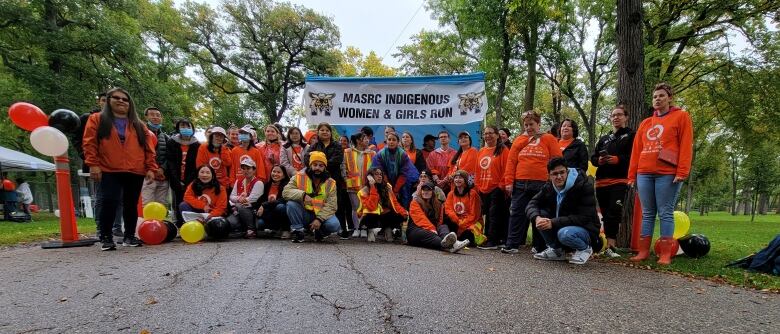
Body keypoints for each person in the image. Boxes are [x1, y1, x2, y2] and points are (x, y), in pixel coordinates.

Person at [83, 87, 157, 250]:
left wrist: (151, 168)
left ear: (130, 104)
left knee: (131, 204)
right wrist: (93, 164)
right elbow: (89, 143)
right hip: (109, 169)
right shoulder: (97, 119)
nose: (121, 101)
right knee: (109, 201)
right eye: (116, 98)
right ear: (108, 101)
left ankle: (129, 236)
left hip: (135, 169)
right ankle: (106, 237)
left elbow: (149, 148)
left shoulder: (139, 125)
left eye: (125, 99)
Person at [628, 83, 693, 265]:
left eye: (662, 96)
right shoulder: (645, 123)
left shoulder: (681, 116)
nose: (658, 99)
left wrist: (682, 171)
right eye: (655, 96)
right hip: (644, 172)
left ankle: (665, 254)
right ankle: (643, 251)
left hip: (667, 173)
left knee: (665, 212)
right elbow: (636, 150)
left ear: (670, 98)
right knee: (647, 213)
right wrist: (632, 175)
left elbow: (686, 145)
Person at [501, 110, 563, 254]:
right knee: (517, 213)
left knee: (540, 213)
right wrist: (508, 182)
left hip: (542, 183)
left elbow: (557, 160)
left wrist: (554, 180)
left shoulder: (549, 139)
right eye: (526, 125)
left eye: (531, 124)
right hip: (521, 182)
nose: (529, 127)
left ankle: (540, 246)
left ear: (539, 124)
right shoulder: (518, 140)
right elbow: (511, 162)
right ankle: (512, 244)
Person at [526, 157, 601, 265]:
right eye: (555, 174)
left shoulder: (583, 185)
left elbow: (585, 217)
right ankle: (557, 251)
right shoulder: (549, 186)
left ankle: (585, 249)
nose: (559, 177)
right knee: (541, 214)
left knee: (565, 234)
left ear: (568, 171)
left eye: (562, 172)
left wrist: (553, 222)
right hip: (561, 226)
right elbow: (531, 204)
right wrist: (537, 218)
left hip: (586, 230)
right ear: (549, 175)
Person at [591, 105, 635, 257]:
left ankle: (611, 246)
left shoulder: (631, 135)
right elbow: (593, 158)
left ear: (626, 117)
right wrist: (600, 160)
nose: (616, 117)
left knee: (614, 212)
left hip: (619, 181)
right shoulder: (605, 138)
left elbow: (634, 158)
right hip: (601, 181)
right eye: (613, 115)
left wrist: (618, 160)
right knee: (604, 213)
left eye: (619, 115)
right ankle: (607, 248)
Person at [283, 151, 340, 243]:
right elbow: (286, 192)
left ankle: (320, 231)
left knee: (334, 225)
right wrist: (303, 195)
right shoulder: (298, 177)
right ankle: (299, 232)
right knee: (291, 204)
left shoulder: (331, 182)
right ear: (310, 165)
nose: (317, 168)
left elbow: (332, 205)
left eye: (321, 166)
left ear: (325, 168)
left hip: (322, 214)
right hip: (305, 212)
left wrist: (319, 219)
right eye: (315, 165)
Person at [303, 123, 348, 237]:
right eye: (322, 130)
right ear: (318, 132)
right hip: (316, 179)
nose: (324, 132)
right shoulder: (313, 146)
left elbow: (337, 160)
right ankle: (316, 227)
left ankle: (342, 229)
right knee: (316, 203)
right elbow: (307, 159)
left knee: (337, 203)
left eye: (327, 130)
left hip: (333, 179)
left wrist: (320, 162)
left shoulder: (337, 145)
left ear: (330, 133)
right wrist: (319, 165)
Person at [406, 181, 469, 253]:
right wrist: (432, 229)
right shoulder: (415, 202)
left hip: (432, 230)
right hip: (415, 230)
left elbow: (440, 221)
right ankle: (452, 245)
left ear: (433, 192)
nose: (425, 192)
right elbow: (420, 218)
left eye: (428, 190)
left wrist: (436, 229)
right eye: (423, 190)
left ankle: (451, 243)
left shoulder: (438, 204)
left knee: (443, 226)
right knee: (428, 234)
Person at [475, 126, 510, 250]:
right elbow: (477, 170)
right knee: (488, 214)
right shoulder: (481, 151)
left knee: (494, 214)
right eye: (485, 133)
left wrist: (501, 186)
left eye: (490, 133)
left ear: (497, 135)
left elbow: (507, 169)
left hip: (497, 188)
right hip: (483, 188)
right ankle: (491, 238)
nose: (488, 136)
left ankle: (492, 240)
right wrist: (478, 185)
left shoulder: (503, 150)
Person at [165, 118, 201, 226]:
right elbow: (170, 162)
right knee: (177, 200)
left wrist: (188, 180)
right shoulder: (172, 142)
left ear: (192, 128)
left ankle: (189, 222)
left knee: (189, 200)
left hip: (190, 178)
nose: (185, 129)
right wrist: (176, 179)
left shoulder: (196, 144)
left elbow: (196, 164)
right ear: (178, 128)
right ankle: (178, 223)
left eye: (188, 126)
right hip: (175, 177)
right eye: (183, 126)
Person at [357, 168, 409, 242]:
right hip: (371, 215)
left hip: (385, 215)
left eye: (381, 174)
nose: (380, 176)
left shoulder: (387, 187)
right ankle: (370, 230)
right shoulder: (364, 191)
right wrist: (372, 186)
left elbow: (395, 203)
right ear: (370, 177)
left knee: (401, 214)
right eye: (376, 174)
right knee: (371, 212)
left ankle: (388, 228)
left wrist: (404, 213)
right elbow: (371, 207)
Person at [370, 132, 419, 209]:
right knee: (386, 205)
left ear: (398, 142)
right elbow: (379, 172)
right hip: (384, 182)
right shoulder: (380, 154)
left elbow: (404, 174)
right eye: (389, 139)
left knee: (402, 204)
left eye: (394, 140)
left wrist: (395, 190)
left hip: (401, 183)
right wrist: (388, 187)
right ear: (386, 141)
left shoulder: (402, 154)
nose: (391, 142)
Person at [342, 132, 376, 238]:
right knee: (355, 207)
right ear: (358, 140)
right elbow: (343, 166)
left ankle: (364, 228)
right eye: (364, 138)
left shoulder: (372, 153)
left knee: (366, 207)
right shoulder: (347, 152)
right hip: (353, 185)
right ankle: (357, 228)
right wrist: (345, 178)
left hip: (367, 186)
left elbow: (375, 168)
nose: (367, 140)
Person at [140, 107, 170, 207]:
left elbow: (169, 156)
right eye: (152, 115)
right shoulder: (140, 134)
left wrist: (162, 168)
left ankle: (159, 223)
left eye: (158, 115)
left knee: (161, 206)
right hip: (147, 175)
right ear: (146, 117)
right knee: (147, 204)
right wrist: (152, 169)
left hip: (162, 176)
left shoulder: (166, 137)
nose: (155, 117)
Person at [228, 158, 264, 238]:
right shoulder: (238, 181)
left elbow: (253, 199)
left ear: (254, 170)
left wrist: (238, 200)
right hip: (238, 209)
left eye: (248, 168)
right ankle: (244, 228)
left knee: (242, 206)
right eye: (243, 169)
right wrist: (238, 199)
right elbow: (231, 197)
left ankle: (252, 229)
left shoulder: (258, 183)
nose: (245, 171)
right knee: (231, 223)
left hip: (253, 210)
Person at [443, 170, 481, 246]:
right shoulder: (451, 193)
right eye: (456, 178)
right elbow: (448, 209)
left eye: (460, 178)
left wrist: (462, 224)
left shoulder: (472, 194)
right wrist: (457, 220)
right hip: (456, 221)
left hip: (470, 223)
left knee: (467, 237)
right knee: (446, 222)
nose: (457, 180)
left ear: (465, 180)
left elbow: (474, 215)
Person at [255, 165, 291, 238]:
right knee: (260, 223)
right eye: (274, 171)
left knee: (280, 207)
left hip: (281, 213)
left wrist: (265, 204)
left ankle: (286, 229)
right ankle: (274, 230)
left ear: (284, 175)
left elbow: (283, 200)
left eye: (279, 172)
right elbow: (260, 200)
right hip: (269, 214)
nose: (275, 174)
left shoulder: (287, 185)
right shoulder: (267, 185)